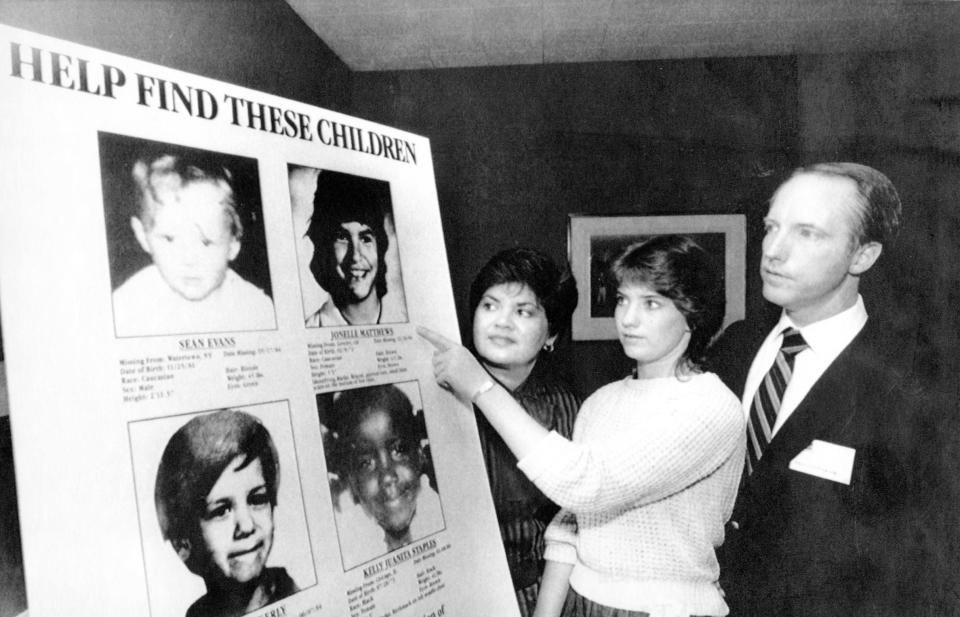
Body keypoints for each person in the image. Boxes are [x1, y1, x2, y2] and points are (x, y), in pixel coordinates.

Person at [421, 235, 745, 617]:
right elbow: (568, 529)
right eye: (623, 299)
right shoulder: (601, 402)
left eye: (651, 303)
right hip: (580, 602)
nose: (628, 318)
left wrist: (480, 387)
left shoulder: (711, 405)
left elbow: (588, 485)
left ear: (693, 313)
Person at [710, 162, 937, 616]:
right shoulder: (731, 347)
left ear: (863, 256)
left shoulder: (912, 388)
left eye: (807, 234)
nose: (773, 251)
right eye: (771, 228)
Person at [467, 248, 581, 617]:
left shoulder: (565, 408)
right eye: (490, 305)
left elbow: (573, 524)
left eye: (523, 311)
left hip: (537, 597)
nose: (501, 322)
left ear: (552, 334)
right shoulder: (435, 399)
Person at [112, 153, 275, 337]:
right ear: (142, 235)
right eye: (170, 239)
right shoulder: (126, 308)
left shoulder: (256, 310)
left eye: (206, 242)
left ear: (234, 242)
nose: (189, 260)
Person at [155, 409, 298, 617]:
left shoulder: (290, 595)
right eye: (221, 511)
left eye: (257, 500)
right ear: (182, 542)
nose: (247, 526)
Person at [324, 384, 443, 568]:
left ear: (420, 454)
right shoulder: (351, 555)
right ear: (352, 482)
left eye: (399, 450)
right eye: (365, 463)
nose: (387, 477)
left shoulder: (442, 517)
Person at [304, 171, 404, 327]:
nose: (356, 256)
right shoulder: (310, 328)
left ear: (380, 248)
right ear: (324, 248)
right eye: (342, 238)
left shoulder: (409, 323)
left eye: (365, 239)